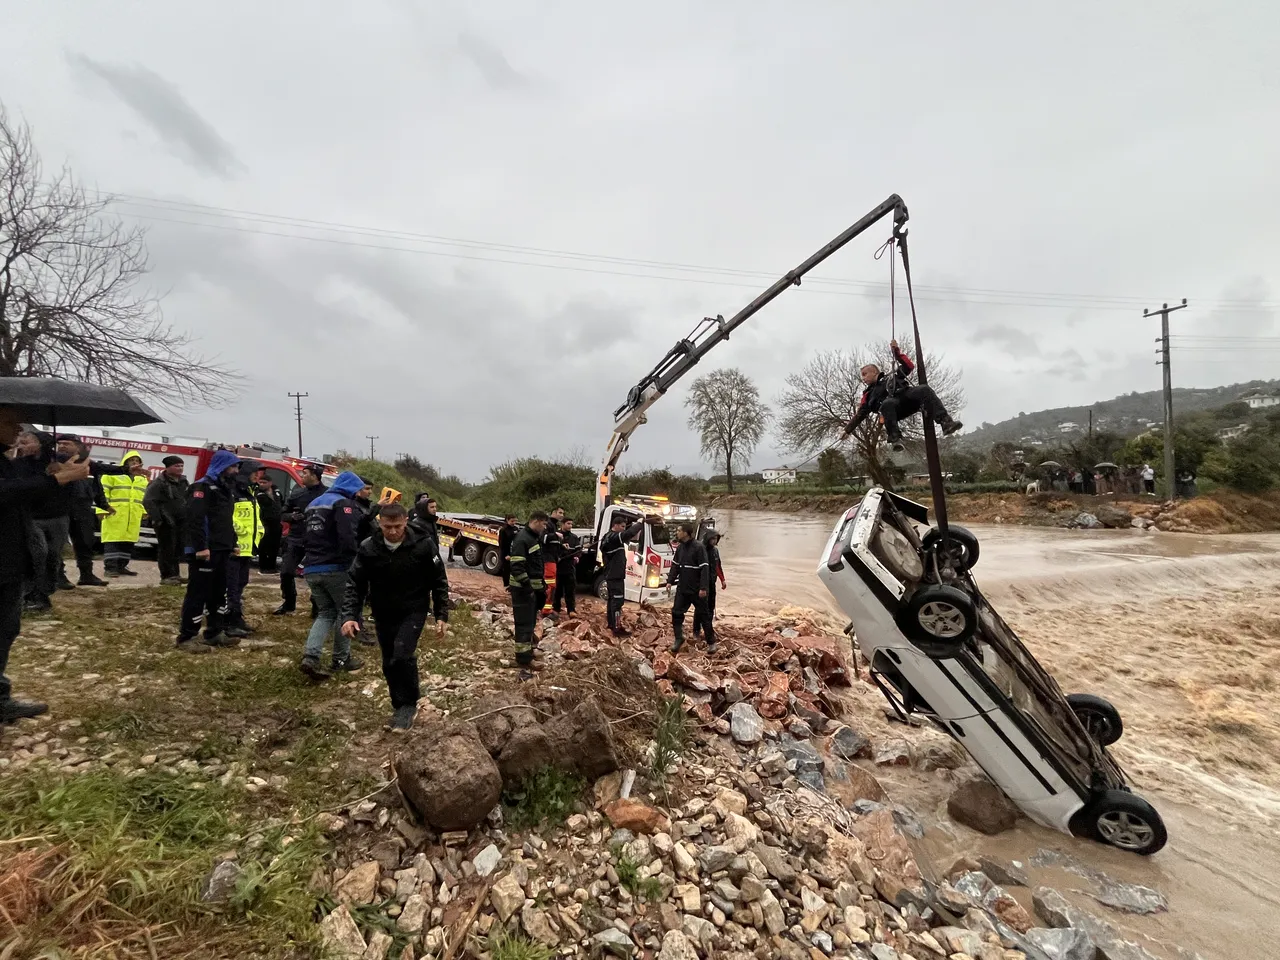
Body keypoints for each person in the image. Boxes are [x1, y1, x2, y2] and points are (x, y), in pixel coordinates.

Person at [1, 407, 91, 721]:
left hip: (11, 562)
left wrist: (51, 472)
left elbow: (24, 490)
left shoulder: (7, 461)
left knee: (6, 630)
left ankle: (0, 698)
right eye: (10, 422)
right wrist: (56, 479)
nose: (18, 430)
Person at [340, 502, 449, 730]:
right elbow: (355, 583)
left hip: (414, 609)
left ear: (405, 522)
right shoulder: (369, 548)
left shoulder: (423, 544)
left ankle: (409, 703)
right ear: (380, 524)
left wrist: (441, 614)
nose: (392, 531)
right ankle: (398, 704)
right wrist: (349, 616)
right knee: (389, 660)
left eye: (397, 526)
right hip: (383, 611)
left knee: (402, 653)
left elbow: (438, 580)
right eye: (387, 527)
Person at [299, 471, 366, 679]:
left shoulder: (314, 504)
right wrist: (355, 562)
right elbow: (347, 537)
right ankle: (341, 659)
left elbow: (305, 536)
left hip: (312, 567)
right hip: (335, 568)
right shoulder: (343, 504)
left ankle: (311, 656)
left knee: (325, 613)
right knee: (345, 613)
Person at [841, 340, 963, 452]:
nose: (863, 378)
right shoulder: (868, 394)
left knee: (924, 389)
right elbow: (860, 414)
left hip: (908, 399)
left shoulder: (892, 377)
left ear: (874, 372)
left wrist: (897, 353)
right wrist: (847, 430)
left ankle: (946, 422)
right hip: (893, 411)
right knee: (887, 403)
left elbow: (909, 366)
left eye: (865, 374)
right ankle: (895, 439)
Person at [177, 450, 241, 653]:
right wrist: (201, 547)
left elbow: (225, 520)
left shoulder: (225, 489)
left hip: (222, 549)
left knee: (218, 593)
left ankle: (214, 632)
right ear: (222, 466)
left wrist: (232, 543)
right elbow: (195, 519)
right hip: (205, 551)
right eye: (232, 466)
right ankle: (187, 636)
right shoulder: (201, 487)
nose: (236, 471)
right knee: (198, 593)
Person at [54, 435, 119, 588]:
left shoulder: (88, 465)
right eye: (59, 444)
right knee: (58, 544)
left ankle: (86, 575)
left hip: (83, 508)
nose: (62, 446)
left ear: (78, 447)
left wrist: (104, 505)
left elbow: (97, 487)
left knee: (85, 542)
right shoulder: (54, 463)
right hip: (61, 508)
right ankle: (58, 576)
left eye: (66, 443)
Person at [275, 464, 325, 616]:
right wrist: (292, 517)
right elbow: (282, 513)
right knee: (286, 572)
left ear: (314, 476)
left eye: (305, 473)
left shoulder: (327, 495)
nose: (302, 476)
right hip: (296, 538)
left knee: (317, 575)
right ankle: (289, 602)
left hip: (318, 541)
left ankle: (317, 606)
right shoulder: (297, 494)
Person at [224, 462, 264, 638]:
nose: (258, 476)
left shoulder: (251, 493)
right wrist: (239, 531)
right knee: (231, 588)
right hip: (234, 548)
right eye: (255, 472)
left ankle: (237, 618)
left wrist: (260, 532)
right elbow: (227, 517)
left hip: (247, 549)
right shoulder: (234, 491)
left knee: (240, 584)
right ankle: (228, 622)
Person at [507, 511, 548, 678]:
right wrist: (528, 588)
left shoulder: (532, 538)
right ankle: (524, 659)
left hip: (531, 590)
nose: (545, 527)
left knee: (530, 623)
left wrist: (541, 587)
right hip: (523, 590)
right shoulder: (522, 539)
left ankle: (529, 651)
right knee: (523, 624)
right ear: (536, 521)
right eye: (543, 524)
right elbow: (517, 567)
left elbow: (534, 564)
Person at [100, 451, 149, 577]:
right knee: (112, 541)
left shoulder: (142, 479)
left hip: (133, 515)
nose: (134, 462)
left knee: (128, 542)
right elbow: (103, 493)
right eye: (131, 460)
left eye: (137, 460)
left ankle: (122, 566)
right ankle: (110, 568)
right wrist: (102, 510)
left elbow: (142, 497)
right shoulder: (112, 475)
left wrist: (144, 512)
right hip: (114, 513)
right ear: (125, 462)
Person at [669, 522, 715, 654]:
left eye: (679, 530)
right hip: (683, 588)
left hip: (697, 590)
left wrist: (703, 588)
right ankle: (679, 638)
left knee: (704, 616)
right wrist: (669, 581)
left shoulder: (699, 547)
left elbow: (705, 569)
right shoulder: (680, 548)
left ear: (686, 533)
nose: (677, 533)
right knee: (676, 612)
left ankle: (711, 642)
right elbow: (675, 566)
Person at [144, 456, 189, 586]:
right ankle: (166, 576)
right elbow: (149, 501)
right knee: (166, 549)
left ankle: (175, 574)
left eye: (181, 466)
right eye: (176, 466)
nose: (180, 468)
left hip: (180, 521)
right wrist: (157, 518)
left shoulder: (183, 482)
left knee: (177, 548)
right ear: (168, 467)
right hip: (165, 521)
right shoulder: (159, 483)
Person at [599, 514, 644, 637]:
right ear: (616, 525)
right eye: (623, 526)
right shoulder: (613, 537)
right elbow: (628, 534)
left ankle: (612, 624)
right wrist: (640, 523)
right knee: (617, 602)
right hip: (615, 575)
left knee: (612, 600)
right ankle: (617, 628)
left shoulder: (607, 537)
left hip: (612, 574)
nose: (624, 529)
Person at [693, 530, 726, 641]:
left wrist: (722, 580)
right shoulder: (700, 549)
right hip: (701, 584)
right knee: (700, 608)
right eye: (713, 539)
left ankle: (708, 629)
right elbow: (695, 567)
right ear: (708, 538)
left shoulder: (715, 551)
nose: (714, 541)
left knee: (711, 607)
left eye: (716, 539)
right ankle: (696, 630)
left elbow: (718, 566)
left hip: (712, 583)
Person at [254, 468, 283, 574]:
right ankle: (263, 567)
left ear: (270, 483)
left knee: (274, 546)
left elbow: (281, 503)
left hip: (276, 523)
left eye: (264, 482)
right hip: (264, 523)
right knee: (264, 546)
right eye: (260, 482)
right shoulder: (257, 493)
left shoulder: (277, 492)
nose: (262, 484)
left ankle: (272, 567)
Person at [553, 517, 581, 615]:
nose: (570, 526)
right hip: (558, 568)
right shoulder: (556, 536)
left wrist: (577, 557)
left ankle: (571, 610)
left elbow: (578, 551)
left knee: (570, 590)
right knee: (557, 590)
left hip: (570, 568)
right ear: (563, 524)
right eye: (568, 523)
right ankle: (556, 608)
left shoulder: (574, 537)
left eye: (571, 524)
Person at [541, 506, 566, 614]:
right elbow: (543, 538)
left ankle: (547, 607)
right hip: (547, 559)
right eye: (560, 513)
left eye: (563, 513)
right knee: (549, 585)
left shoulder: (554, 525)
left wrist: (562, 546)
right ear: (554, 512)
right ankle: (545, 609)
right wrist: (555, 535)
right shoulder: (548, 524)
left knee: (552, 585)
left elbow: (553, 544)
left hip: (553, 559)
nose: (562, 515)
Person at [497, 514, 518, 587]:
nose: (513, 523)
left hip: (514, 551)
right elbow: (501, 544)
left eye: (515, 521)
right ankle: (506, 585)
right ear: (507, 520)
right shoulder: (503, 530)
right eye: (512, 521)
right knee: (506, 570)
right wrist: (506, 555)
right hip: (506, 553)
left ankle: (513, 585)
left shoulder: (516, 529)